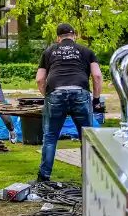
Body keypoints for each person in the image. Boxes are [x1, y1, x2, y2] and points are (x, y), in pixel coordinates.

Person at [35, 23, 102, 182]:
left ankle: (44, 177)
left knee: (50, 137)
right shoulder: (85, 51)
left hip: (56, 93)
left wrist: (49, 96)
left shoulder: (49, 52)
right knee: (87, 138)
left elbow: (39, 79)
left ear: (58, 38)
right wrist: (97, 100)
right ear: (75, 36)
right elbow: (97, 76)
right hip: (80, 92)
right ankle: (89, 177)